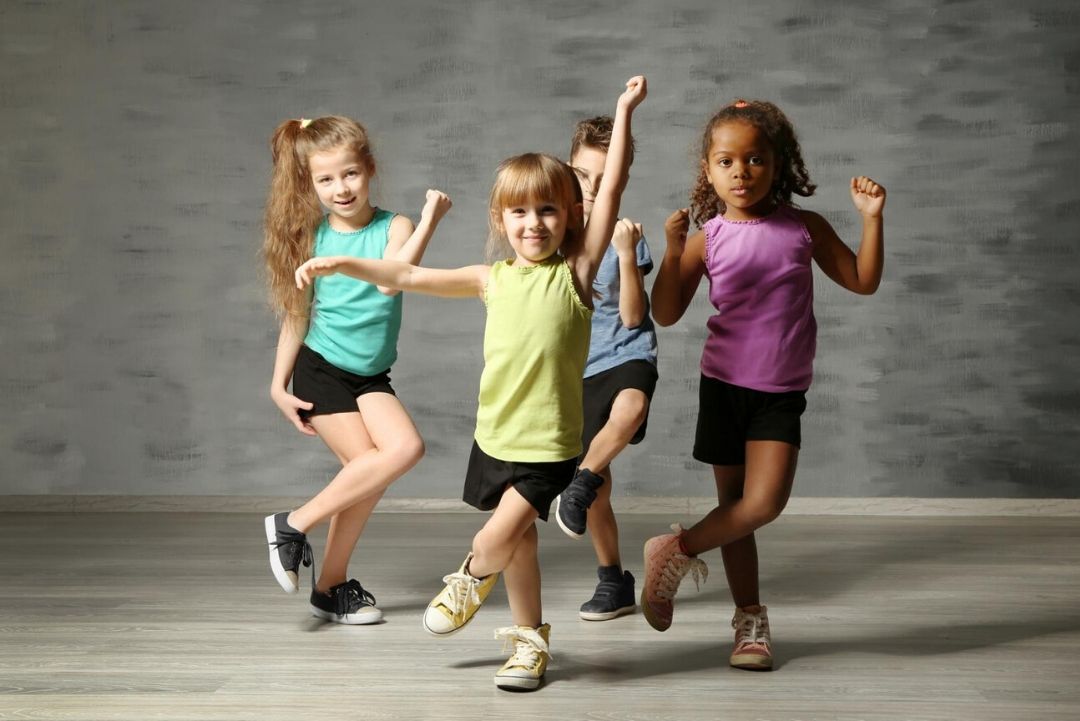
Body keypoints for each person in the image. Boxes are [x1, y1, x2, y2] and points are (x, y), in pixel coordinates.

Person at [295, 76, 647, 690]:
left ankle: (468, 573)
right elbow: (405, 275)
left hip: (551, 446)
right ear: (500, 219)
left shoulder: (577, 273)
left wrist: (623, 112)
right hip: (495, 439)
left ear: (570, 216)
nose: (533, 224)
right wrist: (342, 261)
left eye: (548, 210)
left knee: (496, 539)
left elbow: (610, 185)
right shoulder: (491, 278)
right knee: (521, 549)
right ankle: (529, 646)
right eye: (519, 212)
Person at [645, 99, 886, 671]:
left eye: (755, 159)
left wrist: (872, 219)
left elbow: (862, 280)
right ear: (708, 169)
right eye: (726, 161)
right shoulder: (710, 236)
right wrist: (676, 248)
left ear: (779, 164)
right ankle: (749, 621)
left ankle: (675, 550)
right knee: (735, 509)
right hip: (723, 386)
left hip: (780, 392)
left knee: (761, 505)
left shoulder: (805, 228)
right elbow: (668, 312)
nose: (741, 172)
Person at [261, 115, 451, 625]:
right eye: (325, 179)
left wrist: (429, 219)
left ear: (368, 169)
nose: (340, 188)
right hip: (321, 367)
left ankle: (308, 551)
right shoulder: (313, 236)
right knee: (372, 465)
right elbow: (296, 315)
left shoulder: (395, 227)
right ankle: (320, 569)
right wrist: (278, 386)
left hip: (369, 375)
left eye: (349, 174)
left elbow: (394, 281)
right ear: (311, 184)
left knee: (394, 456)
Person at [553, 116, 658, 622]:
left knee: (632, 406)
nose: (592, 188)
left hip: (627, 354)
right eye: (581, 175)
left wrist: (623, 252)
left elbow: (635, 316)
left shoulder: (626, 235)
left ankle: (582, 480)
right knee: (601, 496)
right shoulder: (552, 231)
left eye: (603, 176)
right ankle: (613, 580)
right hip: (579, 371)